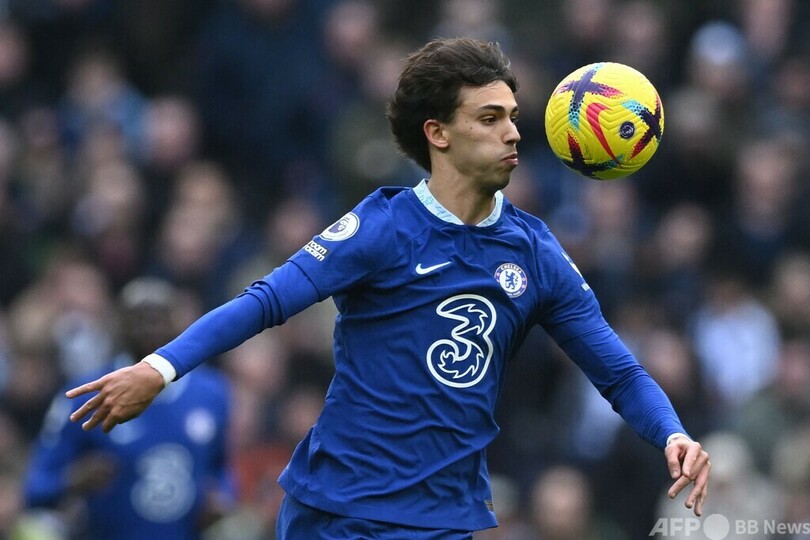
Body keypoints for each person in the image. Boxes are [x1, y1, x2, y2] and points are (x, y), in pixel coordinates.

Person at [66, 37, 711, 539]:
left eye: (513, 117)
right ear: (438, 133)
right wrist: (159, 368)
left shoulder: (534, 252)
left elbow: (618, 372)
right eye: (490, 118)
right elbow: (266, 301)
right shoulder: (383, 227)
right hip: (340, 513)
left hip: (447, 517)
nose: (514, 133)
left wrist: (671, 434)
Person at [25, 277, 234, 540]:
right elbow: (36, 487)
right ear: (118, 324)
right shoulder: (86, 394)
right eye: (139, 319)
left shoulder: (211, 393)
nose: (149, 329)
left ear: (176, 322)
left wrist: (222, 498)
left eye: (158, 318)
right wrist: (72, 481)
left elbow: (221, 468)